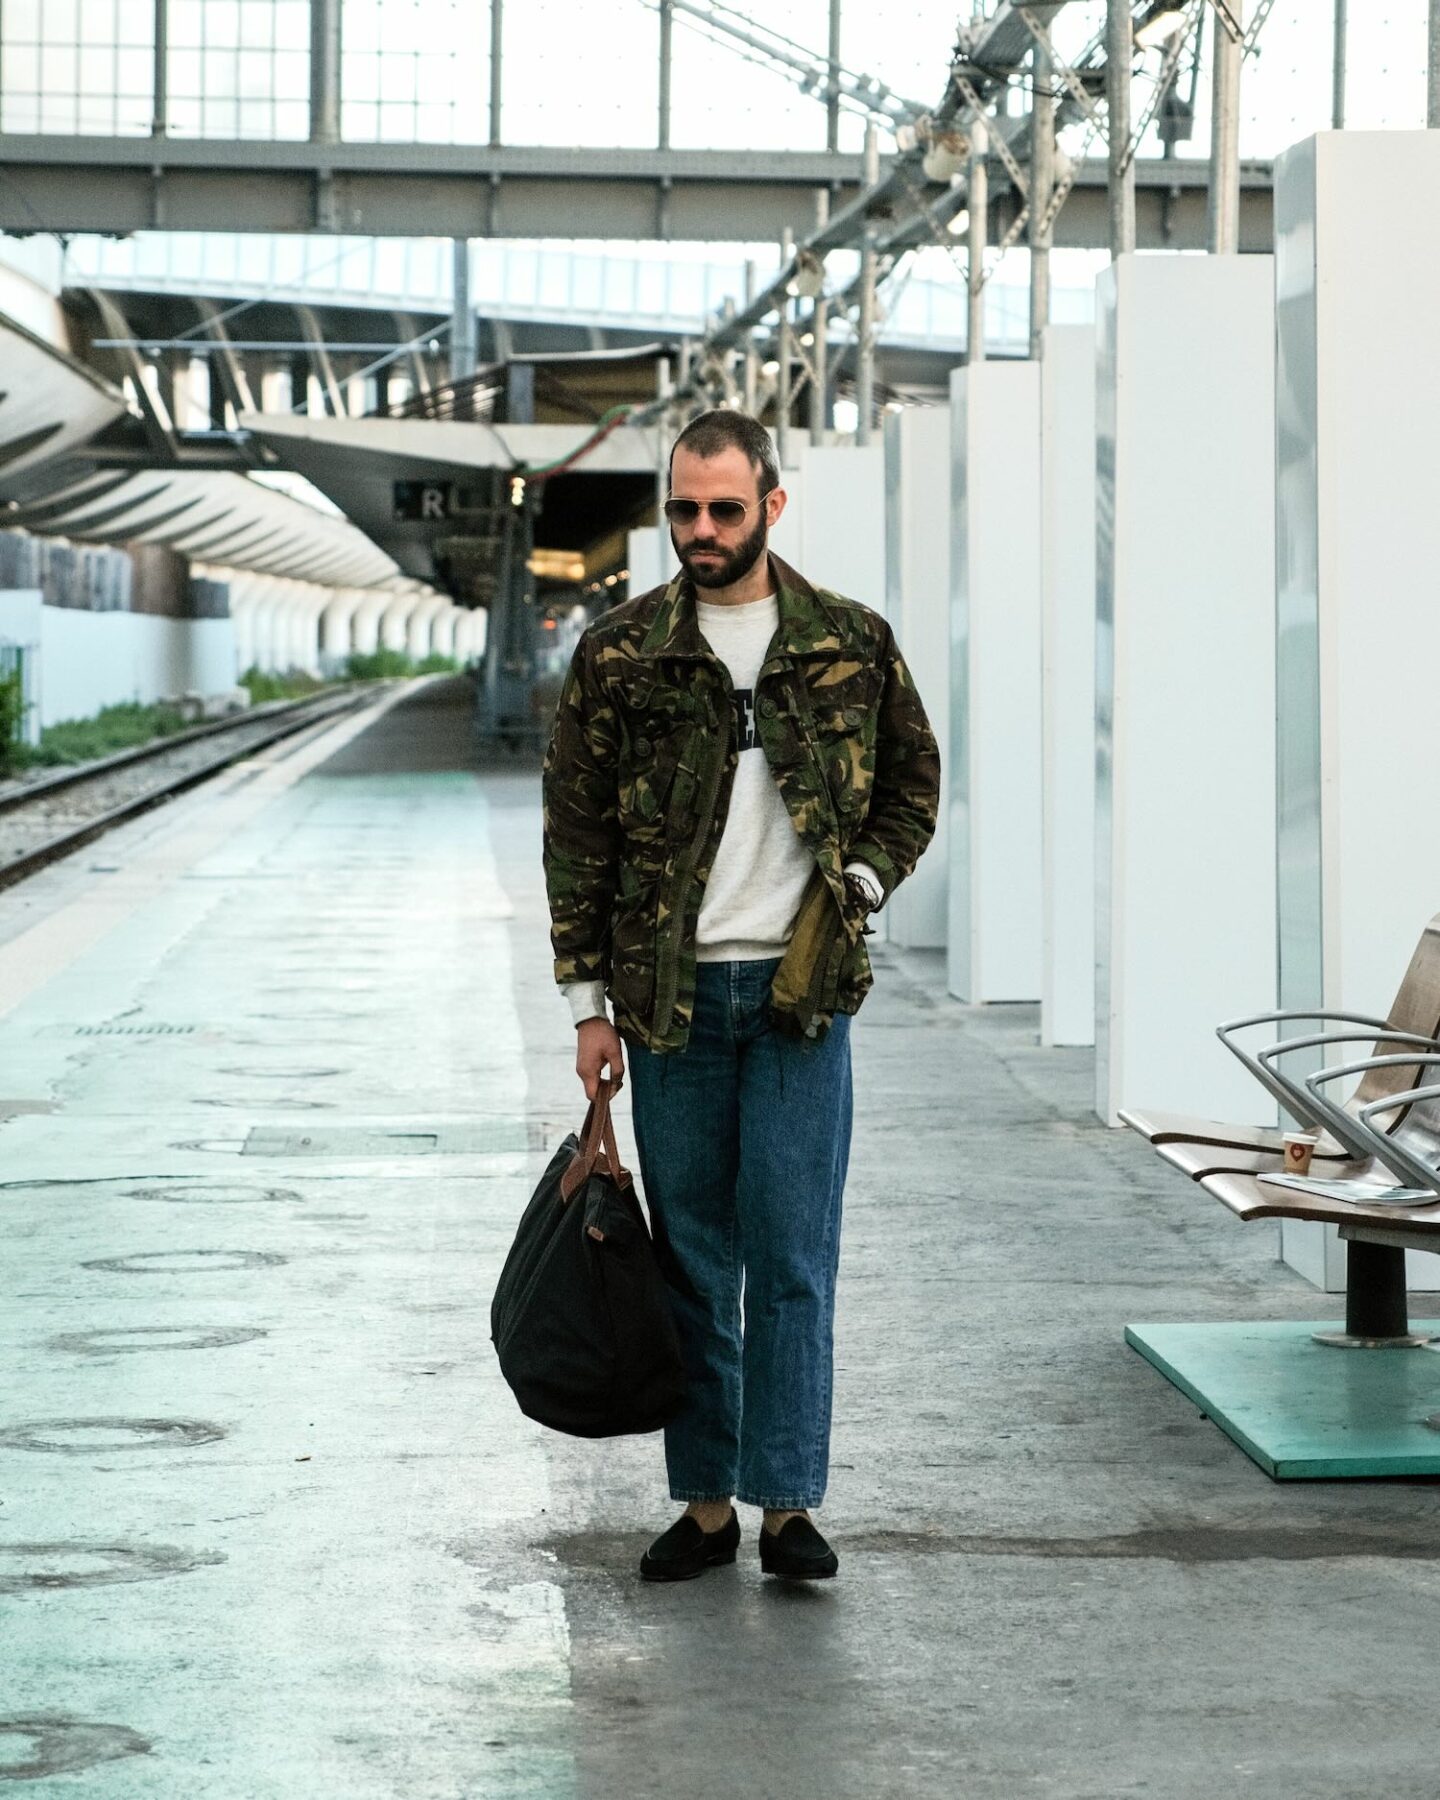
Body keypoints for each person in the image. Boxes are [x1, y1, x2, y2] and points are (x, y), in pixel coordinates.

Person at [542, 408, 939, 1582]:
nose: (700, 530)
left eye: (723, 508)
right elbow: (576, 836)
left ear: (772, 503)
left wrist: (860, 883)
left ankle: (788, 1504)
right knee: (694, 1262)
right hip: (669, 1005)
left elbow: (912, 783)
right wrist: (587, 1007)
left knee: (794, 1255)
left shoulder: (849, 643)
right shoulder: (623, 652)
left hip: (798, 1001)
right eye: (682, 509)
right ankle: (707, 1504)